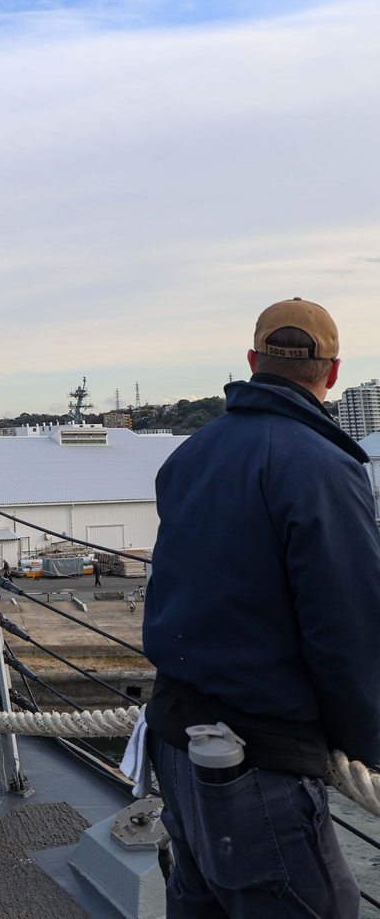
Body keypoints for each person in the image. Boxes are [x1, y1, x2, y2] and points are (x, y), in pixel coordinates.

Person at [143, 298, 380, 918]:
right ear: (332, 373)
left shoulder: (189, 455)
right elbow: (347, 627)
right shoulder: (326, 466)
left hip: (176, 737)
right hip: (259, 759)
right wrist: (364, 748)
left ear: (252, 362)